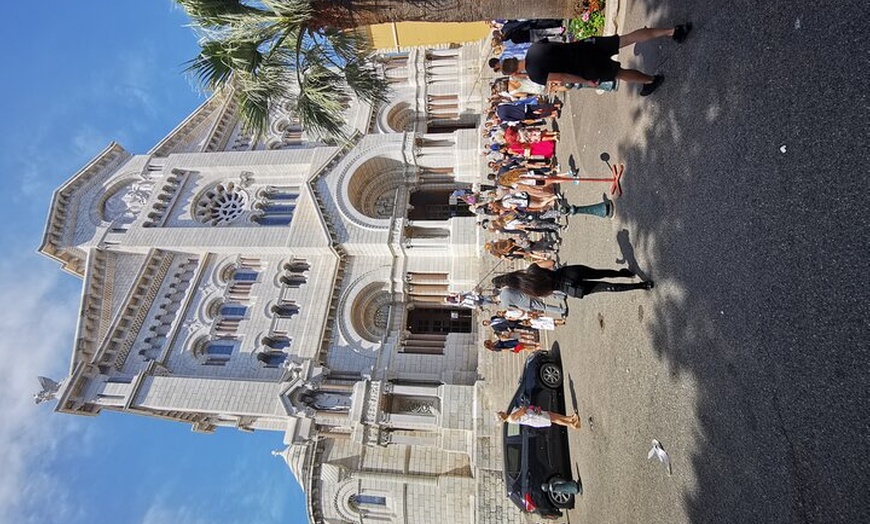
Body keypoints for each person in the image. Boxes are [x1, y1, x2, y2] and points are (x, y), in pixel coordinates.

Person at [501, 24, 692, 97]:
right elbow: (558, 42)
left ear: (514, 72)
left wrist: (585, 82)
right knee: (626, 38)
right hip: (585, 46)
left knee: (619, 73)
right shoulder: (535, 47)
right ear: (514, 57)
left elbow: (563, 76)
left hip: (585, 68)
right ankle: (671, 31)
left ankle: (651, 80)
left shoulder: (535, 75)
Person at [492, 260, 654, 299]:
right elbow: (551, 263)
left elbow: (548, 292)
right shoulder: (531, 269)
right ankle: (624, 273)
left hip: (570, 289)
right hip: (569, 274)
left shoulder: (530, 291)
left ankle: (643, 285)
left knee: (606, 287)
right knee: (600, 273)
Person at [498, 405, 581, 429]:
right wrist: (523, 407)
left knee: (552, 414)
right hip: (535, 418)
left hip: (533, 414)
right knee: (553, 419)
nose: (501, 411)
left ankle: (570, 418)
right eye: (500, 413)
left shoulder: (510, 416)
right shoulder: (511, 417)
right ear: (502, 417)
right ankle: (571, 424)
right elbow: (522, 411)